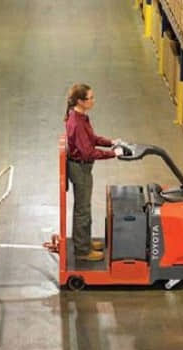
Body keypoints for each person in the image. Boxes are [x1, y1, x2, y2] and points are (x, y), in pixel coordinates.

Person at [64, 83, 124, 262]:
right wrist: (113, 154)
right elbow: (88, 152)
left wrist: (111, 142)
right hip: (80, 168)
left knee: (85, 207)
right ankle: (82, 251)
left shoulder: (80, 117)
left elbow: (92, 139)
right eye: (91, 98)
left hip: (83, 167)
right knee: (82, 210)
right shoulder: (77, 122)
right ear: (81, 101)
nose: (93, 101)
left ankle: (85, 241)